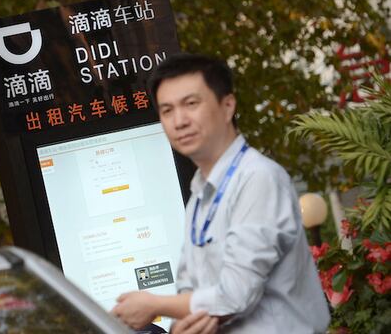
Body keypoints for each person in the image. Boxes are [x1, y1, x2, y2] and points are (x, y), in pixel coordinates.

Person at [110, 53, 330, 333]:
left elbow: (234, 296)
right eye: (167, 110)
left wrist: (154, 305)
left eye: (191, 104)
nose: (179, 121)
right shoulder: (199, 195)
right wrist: (182, 325)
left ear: (227, 106)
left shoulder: (258, 178)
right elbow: (190, 289)